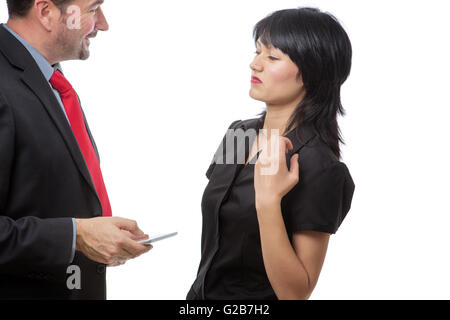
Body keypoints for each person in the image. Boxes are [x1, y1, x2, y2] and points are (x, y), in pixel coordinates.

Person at [187, 7, 355, 300]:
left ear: (312, 73)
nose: (255, 64)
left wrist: (268, 201)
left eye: (272, 57)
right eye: (257, 52)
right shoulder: (239, 133)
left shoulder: (320, 166)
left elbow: (295, 293)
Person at [0, 0, 151, 299]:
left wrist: (94, 236)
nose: (103, 24)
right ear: (46, 12)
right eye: (93, 10)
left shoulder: (48, 80)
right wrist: (76, 236)